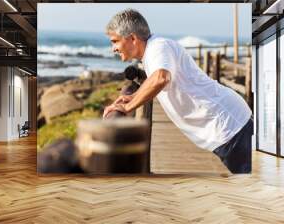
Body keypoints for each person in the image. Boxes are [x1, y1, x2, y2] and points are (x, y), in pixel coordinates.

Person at [103, 9, 253, 174]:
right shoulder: (152, 51)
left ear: (132, 38)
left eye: (115, 41)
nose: (113, 49)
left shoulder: (158, 47)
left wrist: (127, 108)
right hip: (224, 127)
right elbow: (155, 78)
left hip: (229, 126)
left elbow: (161, 78)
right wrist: (132, 97)